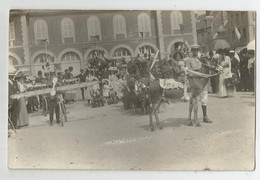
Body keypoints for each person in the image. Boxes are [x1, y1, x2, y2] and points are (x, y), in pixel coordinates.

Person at [185, 44, 212, 123]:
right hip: (194, 82)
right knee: (193, 101)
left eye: (197, 50)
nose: (195, 52)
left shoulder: (202, 60)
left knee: (204, 98)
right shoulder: (189, 60)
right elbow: (188, 71)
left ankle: (205, 116)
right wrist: (194, 74)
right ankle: (190, 118)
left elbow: (207, 67)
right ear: (192, 51)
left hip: (202, 82)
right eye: (194, 50)